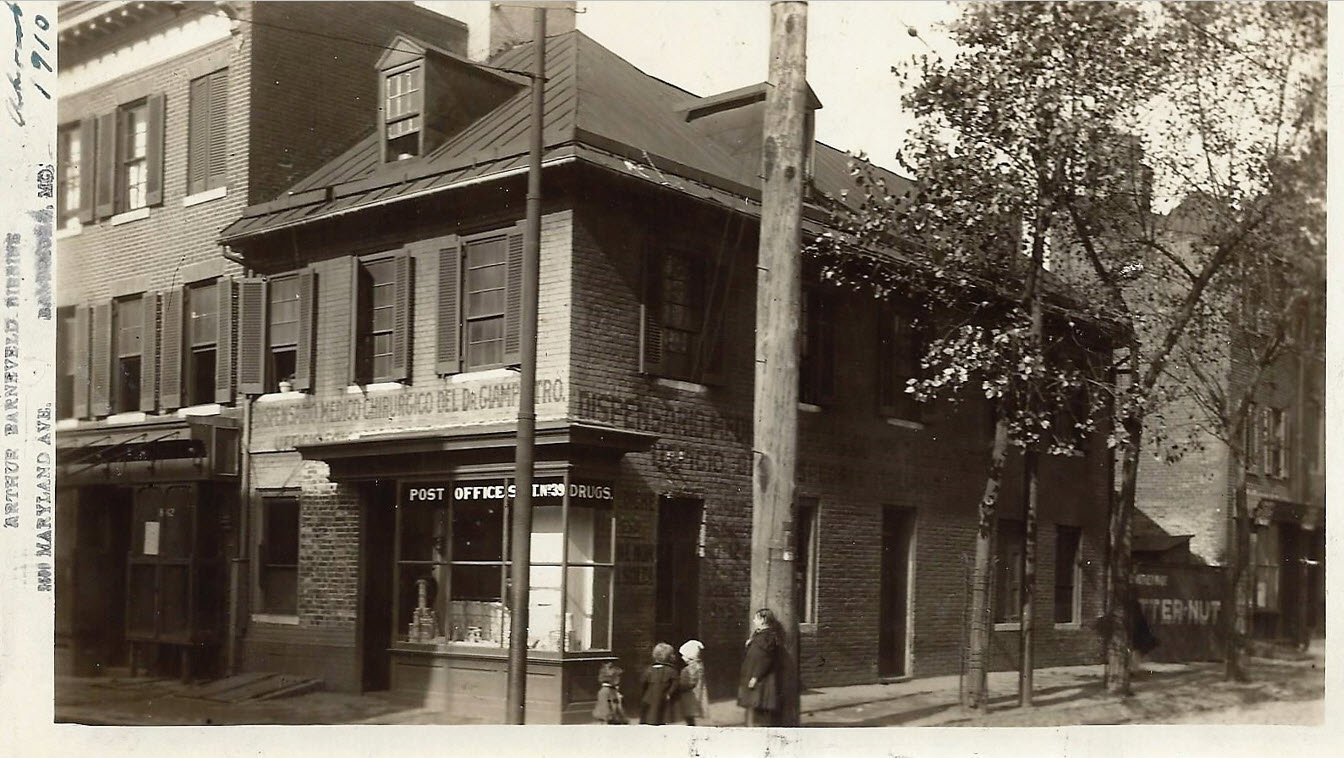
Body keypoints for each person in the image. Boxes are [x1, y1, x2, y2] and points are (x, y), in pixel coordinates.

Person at [737, 608, 781, 727]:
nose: (753, 620)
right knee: (752, 704)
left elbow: (765, 659)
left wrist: (755, 677)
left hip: (760, 677)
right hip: (752, 673)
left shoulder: (767, 637)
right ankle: (751, 727)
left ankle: (756, 729)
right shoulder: (759, 635)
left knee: (758, 705)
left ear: (763, 620)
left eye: (756, 618)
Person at [639, 642, 680, 724]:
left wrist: (643, 693)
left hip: (650, 696)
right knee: (663, 715)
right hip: (663, 696)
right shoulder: (671, 671)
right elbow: (676, 683)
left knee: (649, 715)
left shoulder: (649, 670)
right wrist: (669, 693)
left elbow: (643, 683)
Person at [675, 639, 710, 726]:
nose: (682, 658)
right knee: (691, 715)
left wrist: (679, 686)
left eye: (684, 656)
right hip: (695, 693)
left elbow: (690, 682)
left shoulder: (690, 669)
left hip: (690, 695)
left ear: (690, 656)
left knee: (689, 714)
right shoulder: (699, 666)